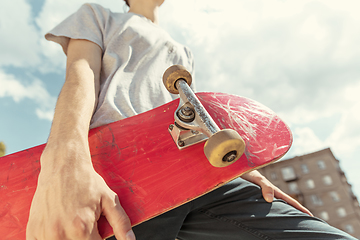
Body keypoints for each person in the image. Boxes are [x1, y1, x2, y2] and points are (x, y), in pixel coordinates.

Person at [26, 0, 357, 240]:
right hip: (124, 170)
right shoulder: (96, 15)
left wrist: (246, 167)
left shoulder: (183, 52)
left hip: (199, 170)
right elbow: (79, 80)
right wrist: (64, 162)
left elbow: (194, 112)